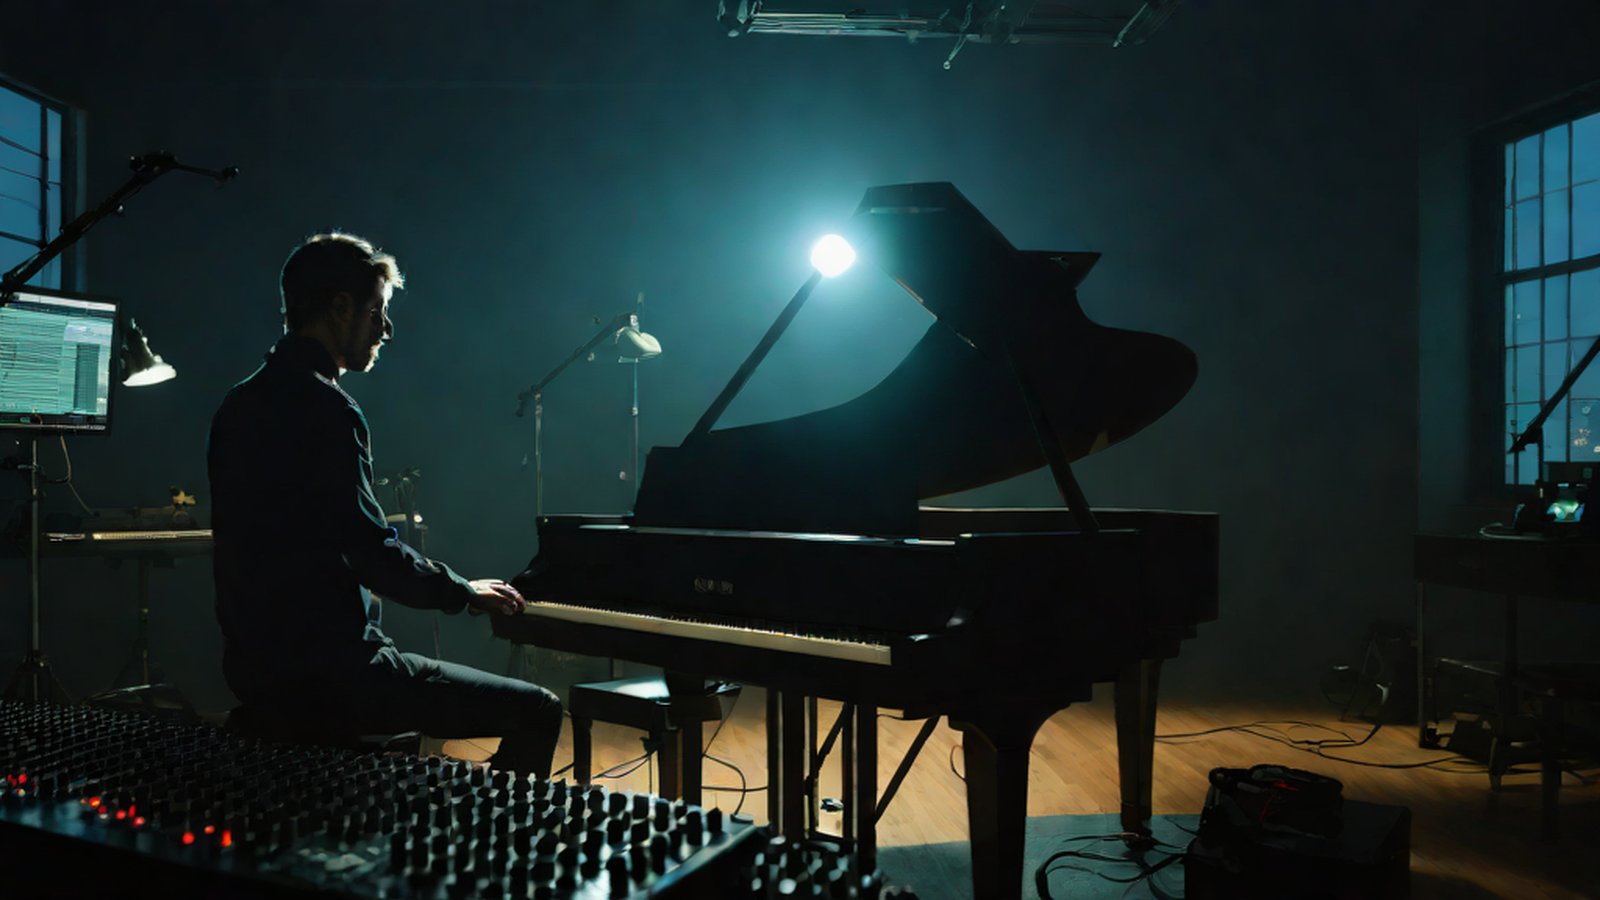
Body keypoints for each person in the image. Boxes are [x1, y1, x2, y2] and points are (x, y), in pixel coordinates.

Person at [208, 231, 561, 776]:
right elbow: (369, 551)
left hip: (256, 672)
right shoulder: (327, 408)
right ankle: (498, 855)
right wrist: (462, 591)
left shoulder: (238, 402)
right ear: (341, 307)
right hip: (334, 675)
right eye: (378, 312)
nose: (386, 330)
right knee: (537, 710)